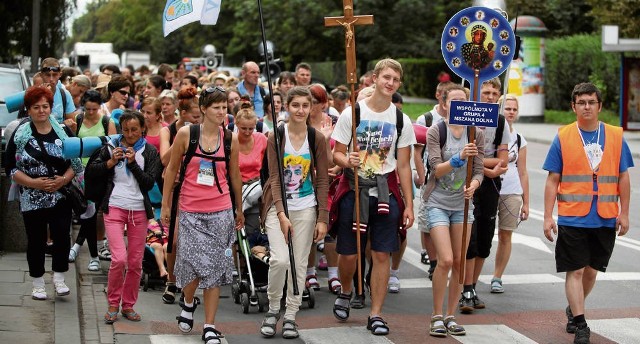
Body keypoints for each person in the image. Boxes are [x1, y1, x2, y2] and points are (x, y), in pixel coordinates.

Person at [330, 59, 416, 335]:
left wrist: (409, 205)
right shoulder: (352, 113)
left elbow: (403, 165)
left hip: (384, 193)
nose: (390, 83)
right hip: (354, 191)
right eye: (386, 77)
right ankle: (345, 290)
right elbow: (337, 153)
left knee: (382, 254)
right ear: (375, 79)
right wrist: (347, 160)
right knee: (349, 254)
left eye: (395, 79)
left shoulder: (401, 120)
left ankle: (376, 313)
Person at [543, 83, 632, 344]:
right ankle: (581, 324)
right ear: (573, 107)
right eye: (581, 102)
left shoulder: (615, 136)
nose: (586, 107)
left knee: (592, 271)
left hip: (604, 215)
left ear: (599, 106)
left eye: (591, 102)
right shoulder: (563, 136)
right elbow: (552, 179)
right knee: (576, 270)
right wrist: (548, 216)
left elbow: (623, 177)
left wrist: (624, 212)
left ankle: (574, 307)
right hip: (572, 215)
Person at [160, 86, 244, 344]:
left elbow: (235, 176)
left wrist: (238, 208)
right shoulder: (186, 134)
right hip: (190, 210)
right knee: (193, 265)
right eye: (216, 107)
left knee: (216, 269)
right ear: (204, 109)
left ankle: (209, 325)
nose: (221, 111)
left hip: (220, 210)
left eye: (224, 107)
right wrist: (165, 205)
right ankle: (187, 302)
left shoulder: (230, 138)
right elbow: (172, 170)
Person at [259, 86, 329, 339]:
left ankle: (290, 315)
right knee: (280, 260)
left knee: (299, 265)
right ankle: (273, 308)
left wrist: (322, 217)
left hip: (306, 208)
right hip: (279, 208)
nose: (300, 110)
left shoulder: (317, 138)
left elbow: (322, 180)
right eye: (295, 105)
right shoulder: (276, 136)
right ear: (286, 106)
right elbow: (275, 178)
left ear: (311, 108)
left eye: (305, 106)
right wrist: (280, 214)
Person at [4, 86, 84, 300]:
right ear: (28, 110)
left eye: (45, 106)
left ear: (51, 108)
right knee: (36, 239)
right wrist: (33, 183)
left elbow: (75, 164)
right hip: (32, 196)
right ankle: (38, 282)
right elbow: (10, 167)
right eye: (36, 107)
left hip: (60, 195)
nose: (41, 111)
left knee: (61, 235)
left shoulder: (63, 131)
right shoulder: (19, 134)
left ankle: (59, 278)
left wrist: (63, 180)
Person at [86, 110, 162, 324]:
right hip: (115, 206)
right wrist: (110, 162)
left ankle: (128, 305)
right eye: (126, 130)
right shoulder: (110, 147)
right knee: (119, 259)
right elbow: (91, 171)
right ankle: (113, 303)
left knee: (136, 262)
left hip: (138, 209)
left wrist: (132, 164)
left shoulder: (150, 151)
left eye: (135, 130)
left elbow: (148, 182)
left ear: (142, 129)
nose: (130, 134)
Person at [423, 84, 484, 338]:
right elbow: (436, 169)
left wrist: (474, 184)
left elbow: (479, 169)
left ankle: (450, 316)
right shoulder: (437, 131)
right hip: (437, 201)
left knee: (459, 261)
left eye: (464, 100)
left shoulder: (476, 133)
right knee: (445, 259)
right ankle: (436, 316)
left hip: (462, 204)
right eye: (454, 100)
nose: (459, 104)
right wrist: (459, 157)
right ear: (445, 104)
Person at [459, 77, 508, 314]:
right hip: (466, 182)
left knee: (485, 240)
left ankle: (473, 286)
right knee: (470, 237)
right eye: (486, 92)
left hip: (490, 186)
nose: (490, 97)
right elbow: (460, 153)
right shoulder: (466, 115)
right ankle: (465, 288)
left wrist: (481, 163)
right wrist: (485, 165)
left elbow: (503, 159)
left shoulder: (500, 121)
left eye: (493, 93)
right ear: (477, 92)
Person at [158, 87, 201, 304]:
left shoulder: (205, 130)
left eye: (200, 115)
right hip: (175, 188)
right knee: (174, 240)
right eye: (195, 116)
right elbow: (165, 160)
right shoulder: (169, 131)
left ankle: (188, 285)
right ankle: (171, 281)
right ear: (182, 114)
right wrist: (183, 136)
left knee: (190, 241)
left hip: (195, 189)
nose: (199, 119)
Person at [68, 90, 117, 271]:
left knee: (92, 211)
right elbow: (72, 144)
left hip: (99, 172)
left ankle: (85, 251)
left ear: (99, 107)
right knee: (87, 212)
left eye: (94, 109)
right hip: (80, 172)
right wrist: (72, 130)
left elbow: (112, 147)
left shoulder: (107, 122)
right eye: (87, 108)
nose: (90, 112)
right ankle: (85, 251)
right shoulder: (78, 119)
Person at [490, 94, 529, 293]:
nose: (511, 112)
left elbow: (523, 171)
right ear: (499, 110)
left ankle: (497, 276)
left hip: (512, 191)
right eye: (507, 108)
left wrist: (526, 202)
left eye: (514, 109)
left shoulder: (520, 139)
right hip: (490, 188)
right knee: (483, 235)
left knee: (506, 235)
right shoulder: (492, 131)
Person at [416, 81, 452, 279]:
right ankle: (433, 261)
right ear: (440, 97)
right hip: (432, 178)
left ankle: (445, 258)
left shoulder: (464, 121)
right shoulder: (427, 119)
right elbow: (417, 151)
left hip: (455, 182)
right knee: (427, 223)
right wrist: (421, 174)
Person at [39, 57, 76, 123]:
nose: (51, 79)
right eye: (47, 75)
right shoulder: (33, 95)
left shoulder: (65, 94)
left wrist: (65, 125)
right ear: (41, 75)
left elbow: (73, 125)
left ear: (60, 75)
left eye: (54, 75)